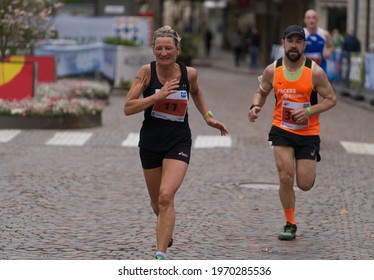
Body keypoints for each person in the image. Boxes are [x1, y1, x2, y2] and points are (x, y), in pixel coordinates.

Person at [123, 25, 228, 260]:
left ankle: (160, 254)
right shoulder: (146, 73)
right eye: (158, 48)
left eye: (168, 48)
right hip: (150, 142)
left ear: (177, 49)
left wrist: (208, 117)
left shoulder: (189, 73)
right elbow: (128, 107)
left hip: (178, 141)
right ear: (153, 50)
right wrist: (157, 96)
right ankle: (165, 227)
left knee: (165, 196)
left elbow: (196, 92)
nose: (163, 53)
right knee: (156, 202)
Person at [247, 25, 337, 241]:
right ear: (283, 43)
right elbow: (261, 92)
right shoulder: (273, 70)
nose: (294, 45)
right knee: (285, 177)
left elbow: (331, 99)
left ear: (304, 45)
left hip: (308, 132)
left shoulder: (315, 72)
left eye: (298, 41)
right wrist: (254, 106)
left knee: (304, 184)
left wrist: (309, 111)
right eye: (290, 41)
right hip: (282, 129)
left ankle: (308, 168)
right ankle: (290, 223)